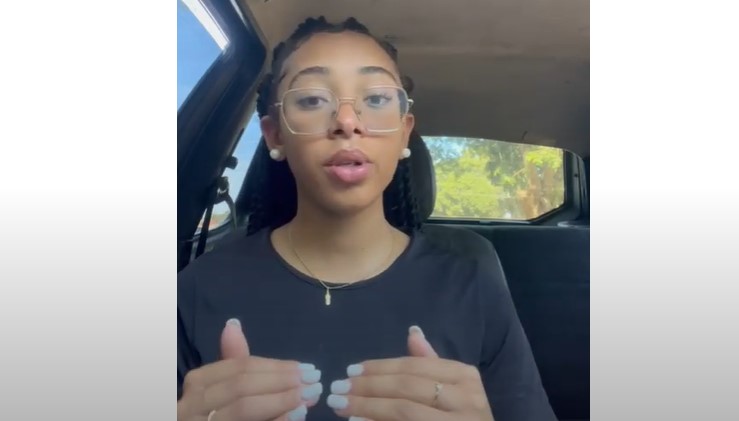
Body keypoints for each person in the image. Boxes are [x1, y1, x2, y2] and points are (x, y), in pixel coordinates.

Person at [177, 16, 556, 421]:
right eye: (312, 99)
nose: (347, 121)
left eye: (375, 99)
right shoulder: (198, 287)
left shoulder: (472, 287)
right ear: (275, 135)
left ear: (404, 132)